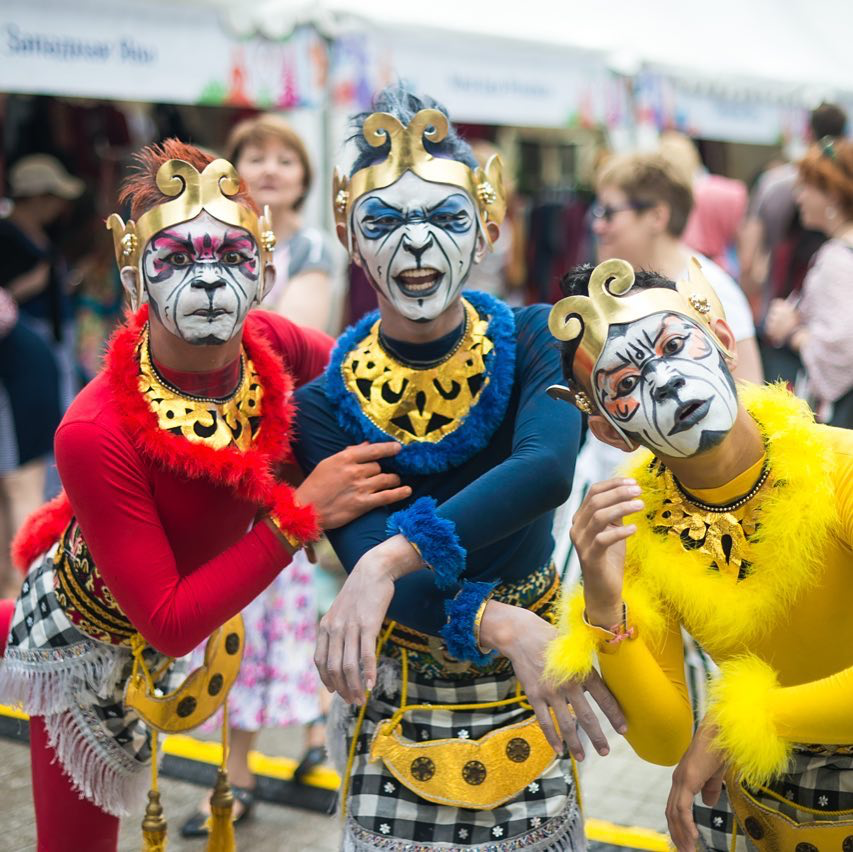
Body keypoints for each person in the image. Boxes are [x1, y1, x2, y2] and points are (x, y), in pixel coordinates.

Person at [0, 139, 409, 851]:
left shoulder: (271, 342)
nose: (211, 280)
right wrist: (297, 514)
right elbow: (168, 621)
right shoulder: (93, 431)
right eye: (177, 258)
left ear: (264, 274)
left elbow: (376, 387)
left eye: (230, 257)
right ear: (135, 279)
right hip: (81, 641)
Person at [294, 84, 625, 851]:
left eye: (443, 217)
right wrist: (498, 620)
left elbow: (544, 470)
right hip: (414, 690)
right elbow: (385, 585)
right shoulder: (321, 404)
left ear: (486, 227)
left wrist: (384, 559)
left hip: (529, 686)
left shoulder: (537, 332)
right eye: (385, 221)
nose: (415, 245)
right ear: (349, 235)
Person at [546, 257, 853, 850]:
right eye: (626, 386)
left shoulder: (839, 466)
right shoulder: (639, 526)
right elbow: (663, 740)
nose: (664, 380)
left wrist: (748, 719)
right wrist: (605, 606)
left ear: (721, 338)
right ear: (611, 430)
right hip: (764, 808)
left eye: (674, 344)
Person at [592, 151, 762, 384]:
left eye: (609, 213)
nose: (598, 225)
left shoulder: (712, 290)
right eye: (598, 212)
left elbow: (750, 393)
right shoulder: (616, 291)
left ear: (657, 216)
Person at [764, 136, 853, 428]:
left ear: (832, 194)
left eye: (806, 186)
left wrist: (792, 332)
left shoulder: (837, 258)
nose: (798, 196)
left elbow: (842, 348)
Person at [227, 113, 344, 333]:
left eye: (285, 161)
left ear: (303, 181)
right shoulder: (211, 241)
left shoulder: (312, 248)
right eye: (256, 159)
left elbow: (294, 336)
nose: (270, 170)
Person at [658, 131, 748, 278]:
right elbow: (743, 248)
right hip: (720, 271)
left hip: (679, 271)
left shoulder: (663, 197)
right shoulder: (729, 192)